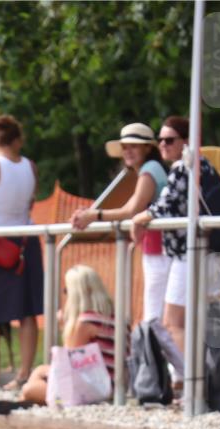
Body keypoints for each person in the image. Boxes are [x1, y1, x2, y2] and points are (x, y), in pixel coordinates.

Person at [130, 116, 220, 381]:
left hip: (189, 254)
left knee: (172, 323)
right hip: (207, 253)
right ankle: (207, 382)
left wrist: (141, 217)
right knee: (197, 323)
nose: (163, 144)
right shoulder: (201, 165)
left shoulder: (185, 167)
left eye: (169, 140)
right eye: (160, 140)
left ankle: (196, 383)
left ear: (185, 142)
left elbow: (165, 205)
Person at [71, 123, 169, 323]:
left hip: (161, 248)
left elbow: (131, 210)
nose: (127, 151)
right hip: (158, 247)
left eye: (133, 146)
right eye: (125, 147)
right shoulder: (149, 169)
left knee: (155, 316)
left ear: (148, 148)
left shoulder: (150, 169)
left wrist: (93, 216)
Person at [0, 115, 43, 389]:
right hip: (26, 241)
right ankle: (24, 373)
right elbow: (31, 201)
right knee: (27, 313)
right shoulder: (31, 166)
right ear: (18, 140)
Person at [0, 265, 117, 413]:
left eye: (67, 291)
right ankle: (29, 402)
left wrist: (66, 326)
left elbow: (67, 364)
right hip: (110, 384)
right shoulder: (114, 317)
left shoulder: (84, 323)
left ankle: (30, 401)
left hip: (92, 390)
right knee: (40, 370)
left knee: (29, 388)